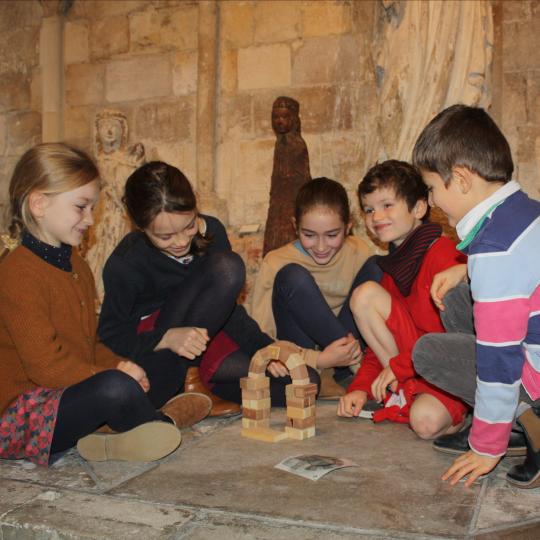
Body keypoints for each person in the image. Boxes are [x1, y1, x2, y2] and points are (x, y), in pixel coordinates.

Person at [0, 143, 212, 467]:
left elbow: (90, 343)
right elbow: (46, 367)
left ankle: (115, 434)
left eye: (92, 208)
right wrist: (113, 373)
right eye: (81, 207)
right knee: (114, 387)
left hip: (66, 390)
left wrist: (120, 363)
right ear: (39, 204)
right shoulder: (17, 273)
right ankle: (161, 422)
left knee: (154, 363)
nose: (90, 219)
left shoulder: (75, 263)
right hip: (22, 414)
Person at [98, 161, 320, 413]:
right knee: (228, 267)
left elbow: (225, 307)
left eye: (189, 225)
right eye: (165, 237)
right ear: (140, 227)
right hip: (158, 358)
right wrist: (166, 338)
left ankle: (195, 390)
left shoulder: (211, 230)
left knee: (307, 383)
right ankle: (183, 386)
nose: (181, 241)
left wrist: (263, 346)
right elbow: (110, 335)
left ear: (196, 206)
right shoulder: (127, 261)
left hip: (206, 341)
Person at [411, 104, 540, 487]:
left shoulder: (494, 251)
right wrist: (465, 267)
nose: (432, 202)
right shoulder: (526, 212)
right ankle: (519, 422)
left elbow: (499, 360)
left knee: (428, 352)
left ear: (463, 179)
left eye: (433, 188)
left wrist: (486, 446)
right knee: (456, 298)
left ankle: (527, 419)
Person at [337, 160, 468, 440]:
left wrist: (398, 367)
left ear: (419, 208)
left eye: (387, 205)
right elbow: (377, 343)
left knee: (425, 423)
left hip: (450, 366)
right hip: (411, 370)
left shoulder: (445, 256)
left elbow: (455, 339)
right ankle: (406, 393)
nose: (376, 216)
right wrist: (359, 386)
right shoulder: (394, 270)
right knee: (364, 295)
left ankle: (463, 408)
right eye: (369, 209)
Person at [250, 177, 377, 398]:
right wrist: (314, 359)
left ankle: (353, 366)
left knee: (377, 266)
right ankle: (352, 369)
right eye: (309, 235)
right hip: (303, 354)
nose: (320, 247)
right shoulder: (276, 261)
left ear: (348, 228)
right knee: (292, 276)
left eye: (332, 235)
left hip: (349, 346)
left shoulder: (360, 251)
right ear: (294, 226)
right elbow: (262, 335)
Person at [262, 96, 311, 256]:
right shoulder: (280, 144)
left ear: (294, 119)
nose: (279, 121)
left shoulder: (297, 145)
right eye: (276, 117)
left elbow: (304, 176)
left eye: (284, 117)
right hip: (278, 203)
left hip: (292, 202)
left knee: (288, 244)